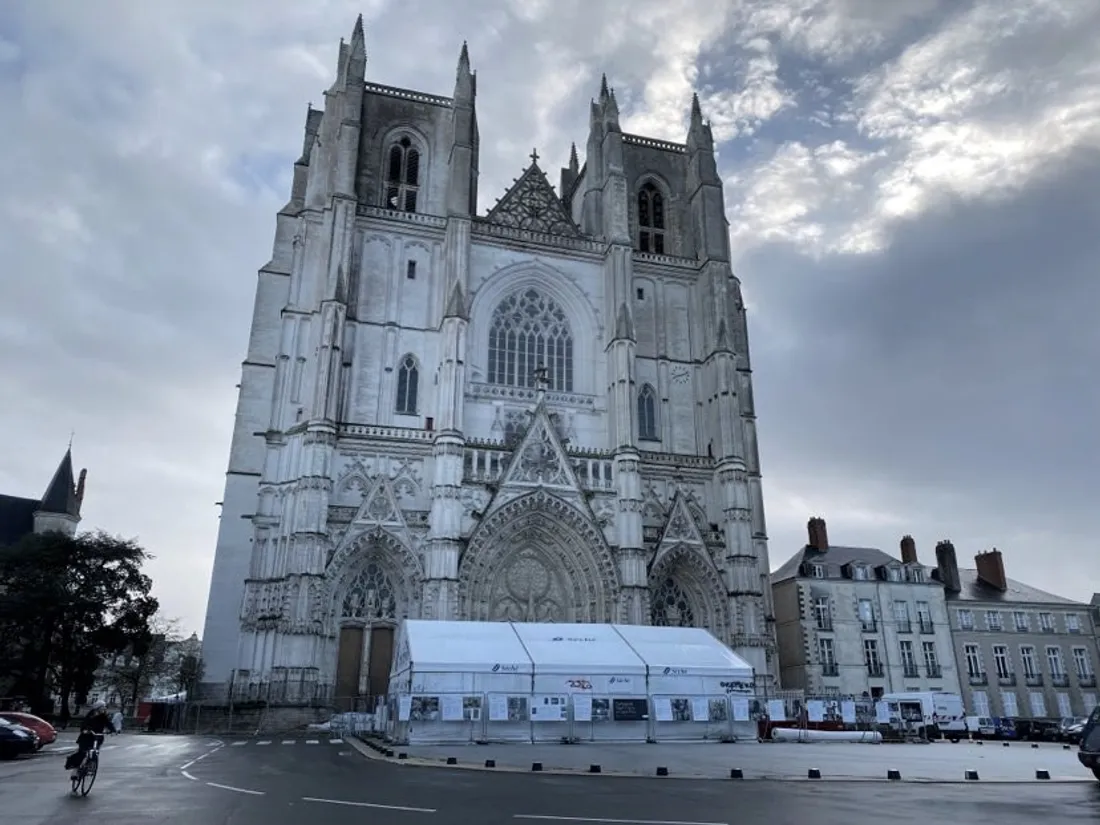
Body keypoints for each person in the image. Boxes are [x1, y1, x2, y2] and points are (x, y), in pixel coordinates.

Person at [65, 701, 112, 777]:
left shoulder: (103, 716)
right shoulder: (91, 714)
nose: (104, 709)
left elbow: (108, 723)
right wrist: (86, 729)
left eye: (104, 707)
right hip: (87, 736)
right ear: (98, 708)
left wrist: (113, 730)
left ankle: (91, 765)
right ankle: (75, 770)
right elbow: (84, 723)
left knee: (95, 752)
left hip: (97, 737)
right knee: (82, 752)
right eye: (102, 707)